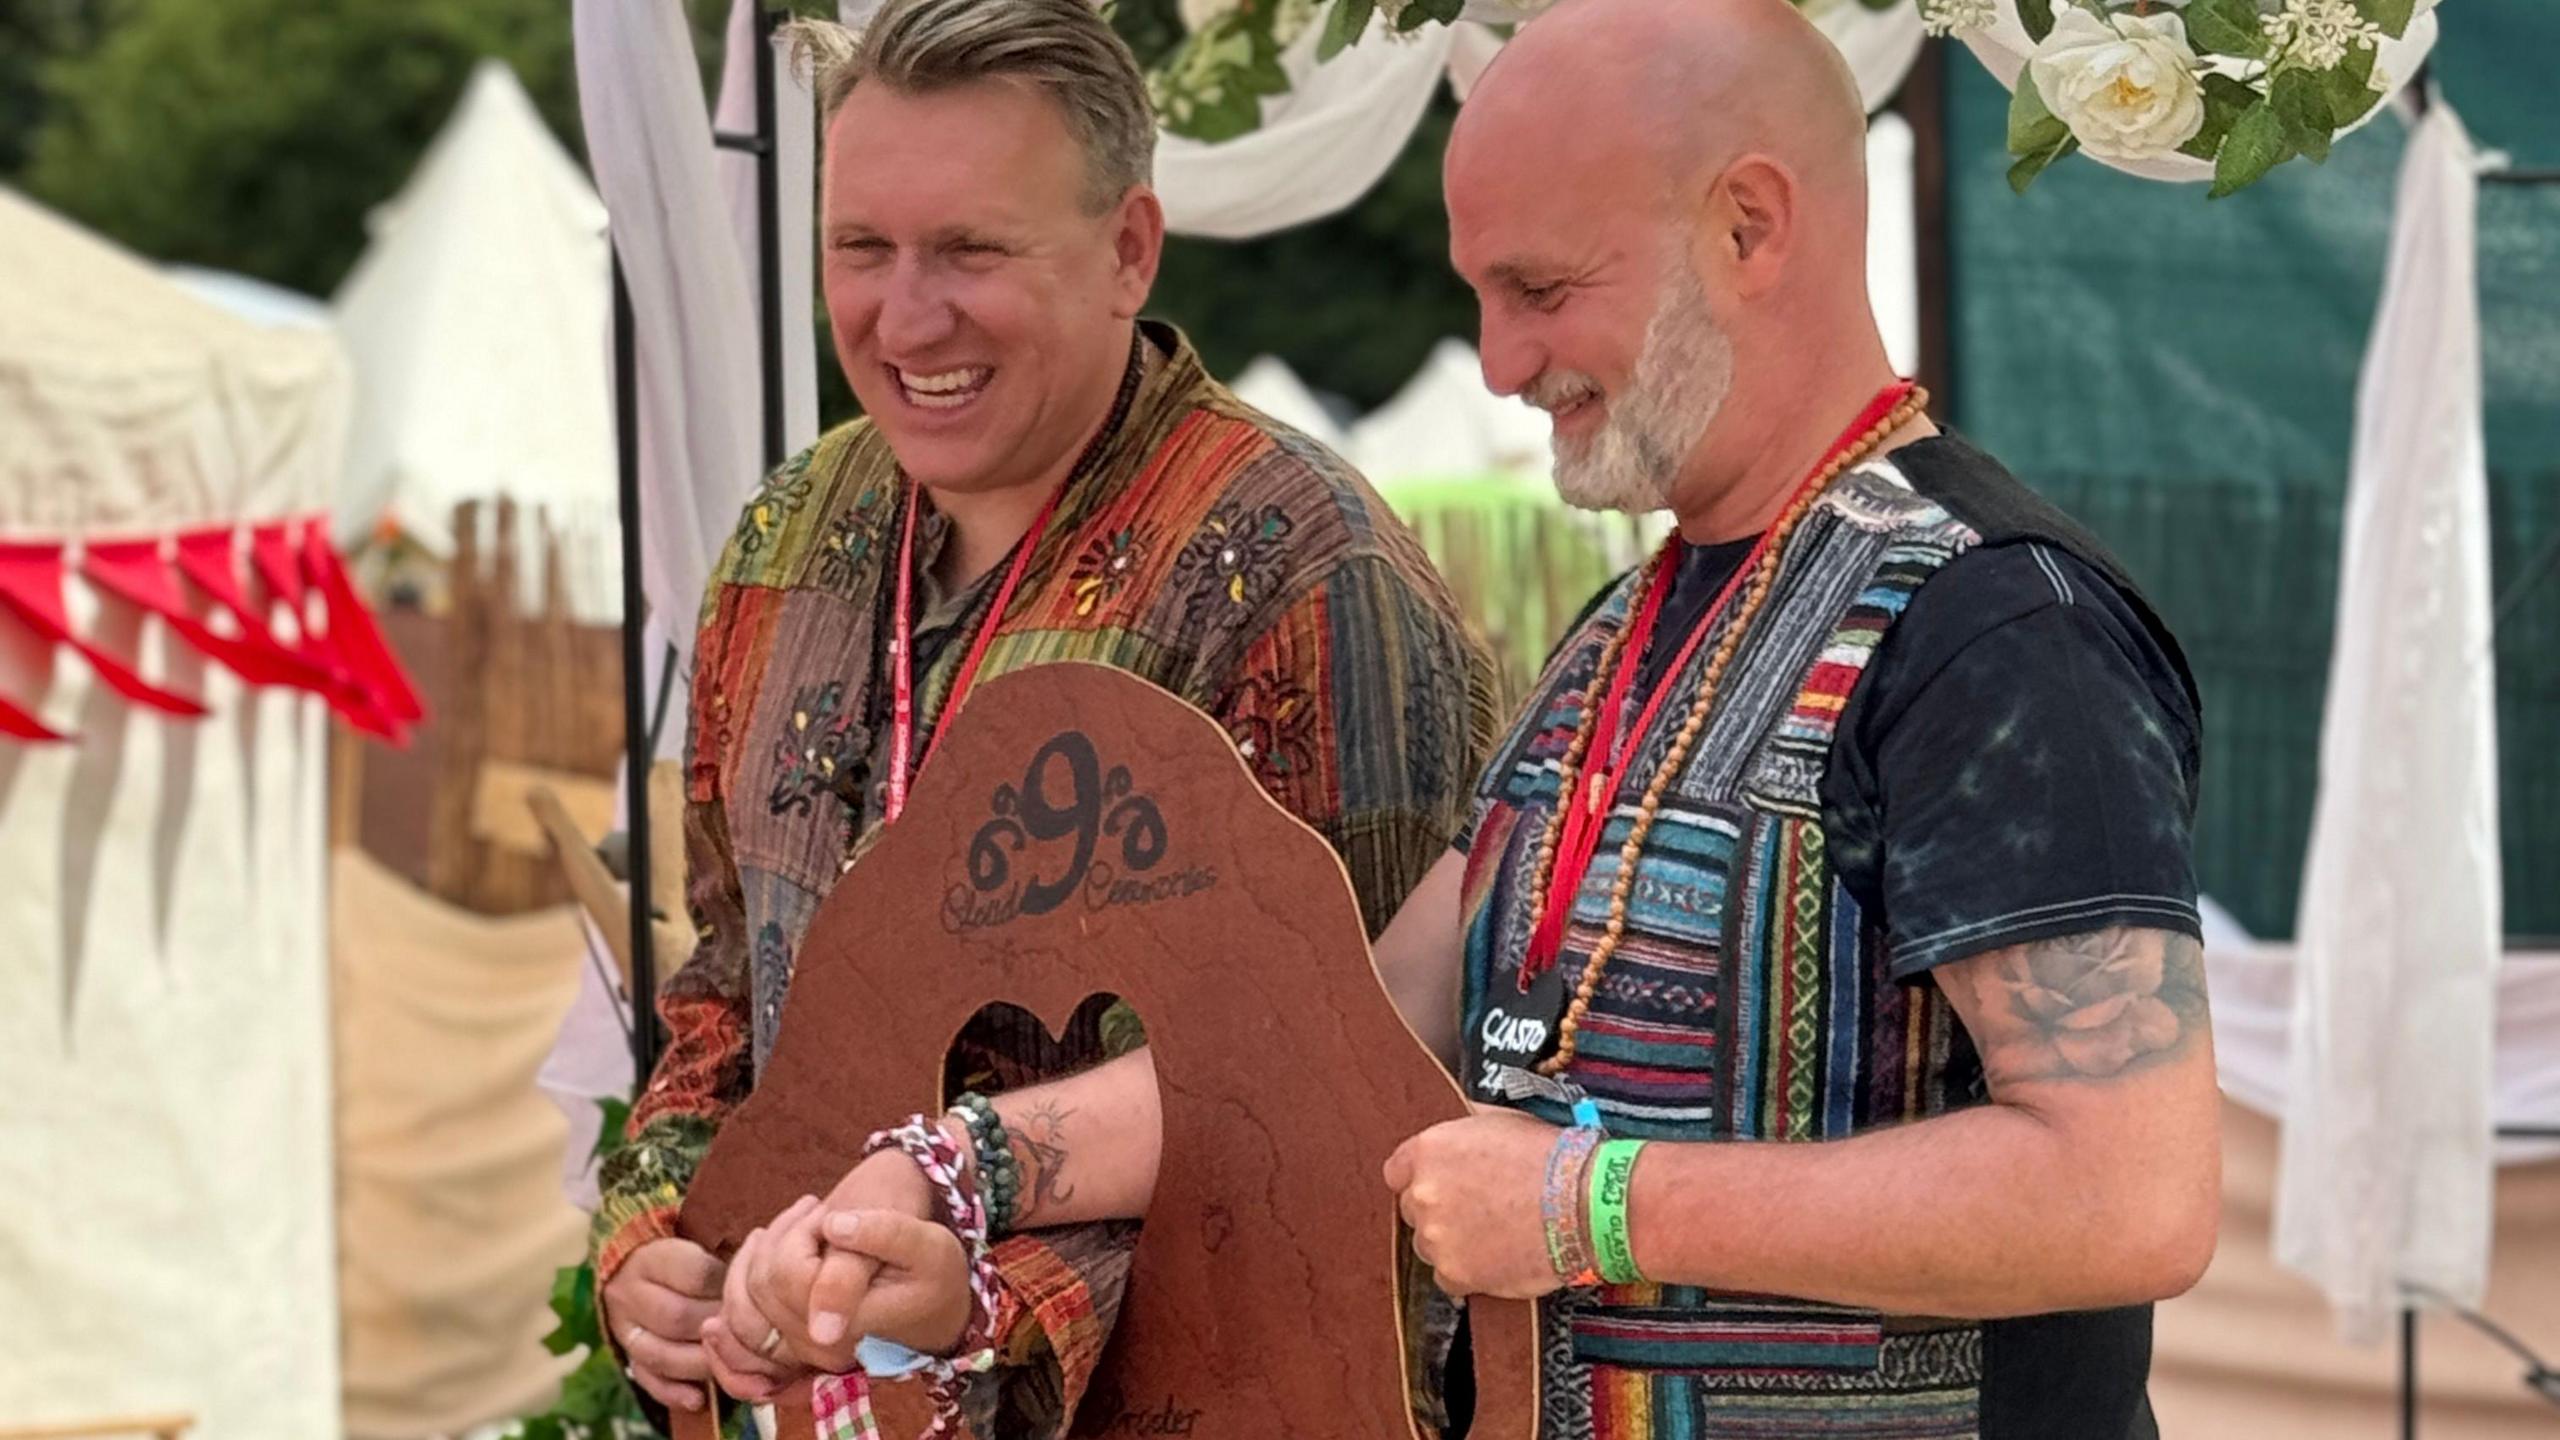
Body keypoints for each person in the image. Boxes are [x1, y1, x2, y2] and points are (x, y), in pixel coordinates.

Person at [765, 0, 2219, 1436]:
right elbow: (1363, 1031)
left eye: (1541, 287)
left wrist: (1590, 1205)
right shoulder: (1623, 632)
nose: (1501, 360)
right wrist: (964, 1169)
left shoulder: (1997, 625)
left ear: (1750, 227)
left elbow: (2129, 1194)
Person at [588, 0, 1497, 1424]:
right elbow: (726, 977)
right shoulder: (786, 535)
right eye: (862, 248)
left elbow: (1353, 1101)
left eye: (971, 250)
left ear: (1130, 247)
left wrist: (984, 1299)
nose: (906, 316)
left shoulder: (1301, 568)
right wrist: (660, 1235)